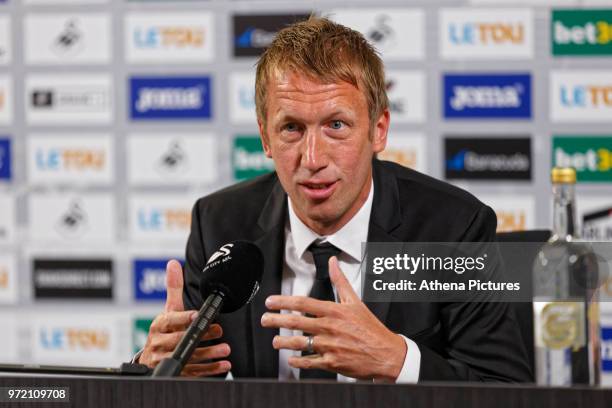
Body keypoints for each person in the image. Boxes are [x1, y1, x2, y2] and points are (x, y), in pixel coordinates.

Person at [138, 17, 532, 382]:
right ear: (265, 137)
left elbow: (504, 387)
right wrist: (154, 367)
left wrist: (397, 359)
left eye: (336, 125)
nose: (312, 159)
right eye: (291, 128)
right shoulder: (220, 223)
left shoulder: (452, 227)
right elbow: (181, 372)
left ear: (378, 131)